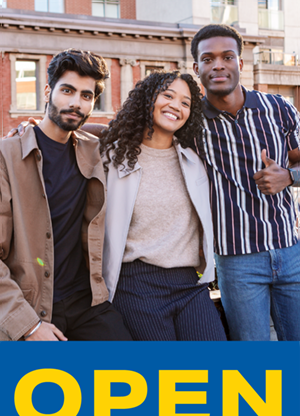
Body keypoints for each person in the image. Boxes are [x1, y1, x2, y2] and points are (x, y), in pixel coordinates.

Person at [0, 49, 131, 341]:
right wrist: (28, 326)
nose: (75, 102)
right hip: (33, 307)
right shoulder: (6, 156)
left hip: (87, 302)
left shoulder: (94, 150)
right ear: (48, 91)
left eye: (86, 96)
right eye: (67, 90)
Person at [191, 24, 300, 341]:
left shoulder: (277, 108)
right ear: (197, 67)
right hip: (237, 261)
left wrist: (289, 176)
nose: (218, 65)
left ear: (240, 63)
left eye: (227, 56)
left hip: (290, 250)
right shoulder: (189, 119)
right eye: (208, 59)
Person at [99, 71, 227, 341]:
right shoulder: (112, 158)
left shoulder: (194, 160)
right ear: (148, 100)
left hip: (189, 283)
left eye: (185, 102)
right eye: (168, 95)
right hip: (136, 284)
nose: (175, 106)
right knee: (162, 376)